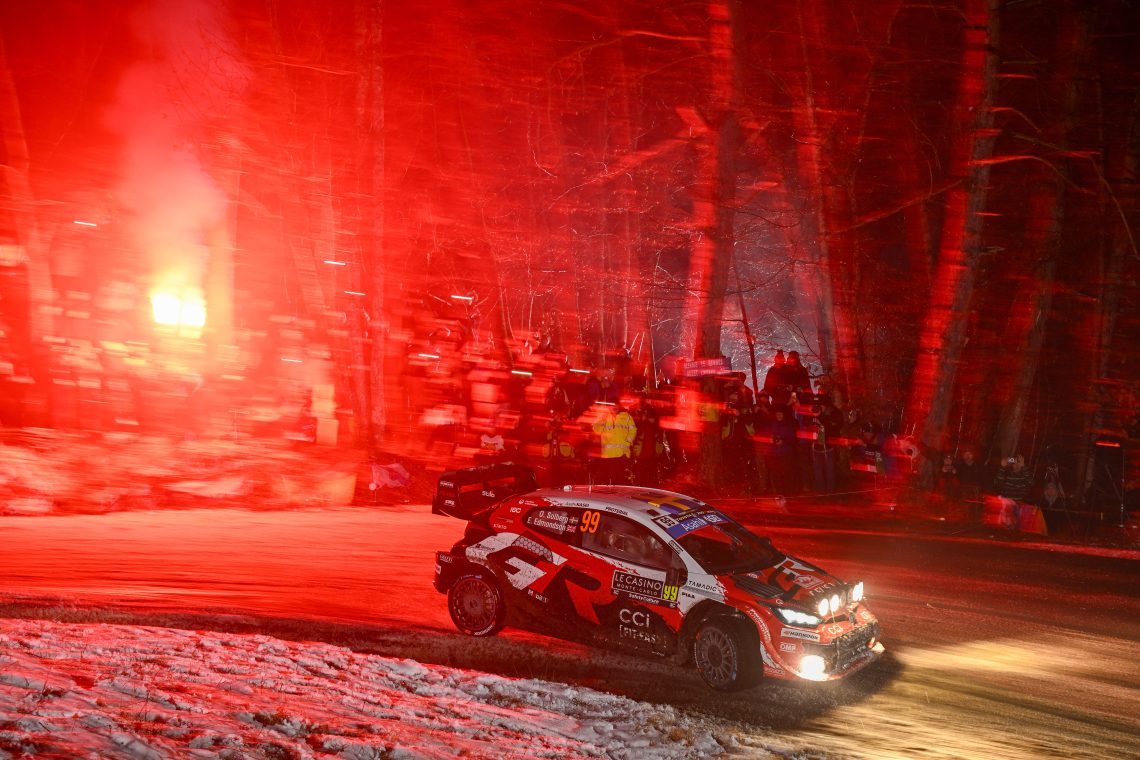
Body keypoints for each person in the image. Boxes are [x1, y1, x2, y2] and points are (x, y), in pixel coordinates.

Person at [591, 399, 638, 485]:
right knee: (608, 480)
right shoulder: (604, 417)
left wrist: (628, 442)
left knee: (621, 481)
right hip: (608, 455)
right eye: (612, 405)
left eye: (616, 405)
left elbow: (633, 430)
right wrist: (603, 419)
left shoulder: (626, 416)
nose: (614, 407)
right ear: (609, 407)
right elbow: (596, 429)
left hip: (622, 454)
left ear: (619, 406)